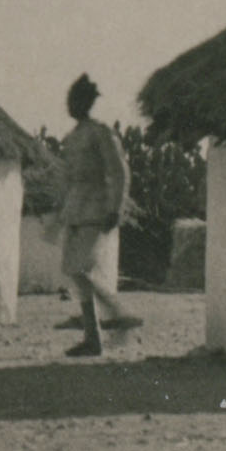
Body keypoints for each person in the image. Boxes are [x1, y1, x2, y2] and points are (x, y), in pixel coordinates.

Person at [55, 73, 139, 357]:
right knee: (73, 271)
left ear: (86, 103)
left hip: (96, 207)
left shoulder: (101, 133)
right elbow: (66, 178)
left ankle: (117, 313)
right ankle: (94, 338)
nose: (71, 105)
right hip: (75, 210)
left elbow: (119, 171)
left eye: (75, 100)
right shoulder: (72, 138)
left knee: (79, 268)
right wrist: (60, 212)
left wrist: (116, 207)